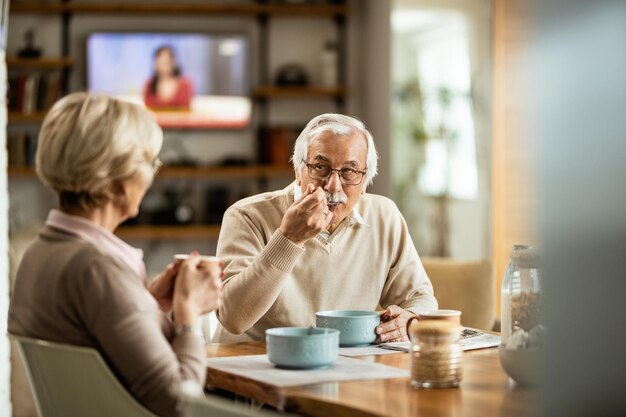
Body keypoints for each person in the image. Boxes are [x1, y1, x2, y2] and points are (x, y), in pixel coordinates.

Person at [8, 92, 222, 417]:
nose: (153, 175)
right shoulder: (96, 268)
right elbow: (181, 403)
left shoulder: (40, 252)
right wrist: (189, 312)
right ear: (121, 182)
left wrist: (150, 302)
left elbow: (98, 332)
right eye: (152, 163)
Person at [214, 113, 438, 343]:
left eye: (349, 171)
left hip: (346, 367)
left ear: (365, 182)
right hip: (252, 365)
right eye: (320, 167)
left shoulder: (385, 216)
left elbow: (419, 298)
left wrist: (409, 320)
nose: (333, 185)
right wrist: (289, 239)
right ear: (298, 172)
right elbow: (233, 319)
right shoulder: (246, 215)